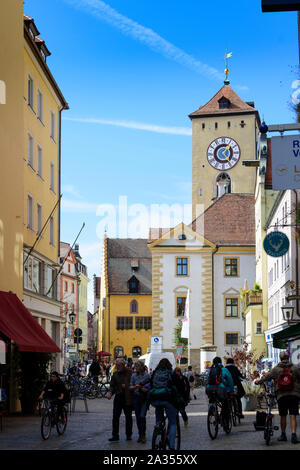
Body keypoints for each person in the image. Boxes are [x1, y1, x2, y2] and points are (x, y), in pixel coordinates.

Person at [255, 350, 300, 444]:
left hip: (281, 395)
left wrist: (258, 382)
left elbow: (266, 377)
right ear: (288, 358)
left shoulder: (276, 369)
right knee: (293, 415)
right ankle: (293, 435)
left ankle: (283, 435)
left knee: (283, 415)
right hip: (294, 394)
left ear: (280, 358)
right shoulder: (294, 368)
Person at [149, 358, 178, 450]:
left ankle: (158, 428)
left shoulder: (155, 372)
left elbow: (151, 384)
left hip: (156, 398)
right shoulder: (171, 372)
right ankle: (172, 446)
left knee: (159, 419)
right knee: (173, 423)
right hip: (167, 398)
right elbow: (175, 386)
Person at [106, 358, 133, 442]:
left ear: (123, 365)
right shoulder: (115, 374)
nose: (117, 367)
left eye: (118, 365)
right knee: (115, 417)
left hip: (127, 397)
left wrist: (128, 386)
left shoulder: (129, 372)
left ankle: (128, 435)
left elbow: (134, 383)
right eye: (116, 365)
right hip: (118, 397)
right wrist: (110, 392)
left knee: (128, 417)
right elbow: (112, 385)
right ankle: (115, 435)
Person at [205, 357, 234, 427]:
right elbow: (230, 380)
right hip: (220, 389)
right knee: (225, 403)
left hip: (209, 389)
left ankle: (212, 410)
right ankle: (224, 420)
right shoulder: (224, 369)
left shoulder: (210, 370)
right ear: (221, 362)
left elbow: (206, 379)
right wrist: (231, 390)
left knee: (212, 399)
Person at [129, 360, 151, 443]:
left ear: (142, 367)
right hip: (136, 398)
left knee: (142, 416)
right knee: (138, 418)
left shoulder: (147, 376)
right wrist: (135, 387)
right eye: (136, 366)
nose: (136, 368)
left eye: (138, 366)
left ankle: (143, 435)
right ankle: (140, 435)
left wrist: (143, 388)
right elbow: (130, 387)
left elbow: (150, 386)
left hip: (144, 399)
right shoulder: (133, 376)